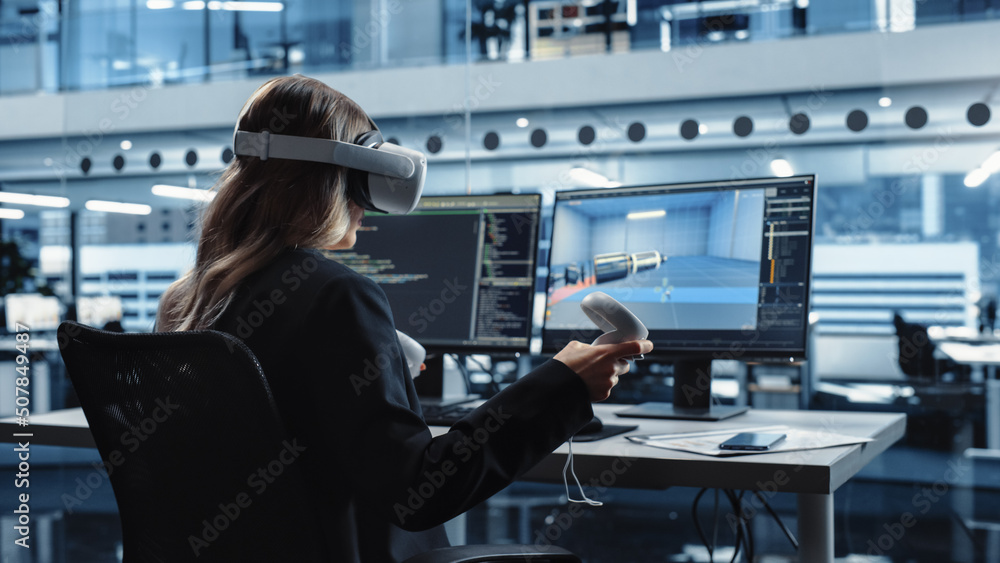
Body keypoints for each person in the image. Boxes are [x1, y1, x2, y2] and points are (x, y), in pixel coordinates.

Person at [156, 74, 652, 562]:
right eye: (363, 184)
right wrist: (565, 384)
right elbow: (418, 491)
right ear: (337, 179)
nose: (367, 209)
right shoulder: (336, 295)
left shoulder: (189, 301)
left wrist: (376, 369)